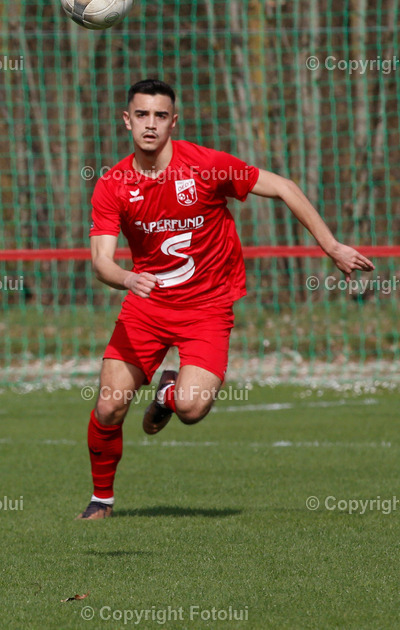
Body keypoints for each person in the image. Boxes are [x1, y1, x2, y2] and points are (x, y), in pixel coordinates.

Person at [77, 78, 373, 520]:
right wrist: (127, 278)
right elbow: (101, 262)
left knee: (192, 408)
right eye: (142, 114)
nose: (150, 124)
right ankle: (101, 500)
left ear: (174, 122)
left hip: (207, 309)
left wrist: (331, 246)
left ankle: (168, 394)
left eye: (160, 115)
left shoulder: (206, 166)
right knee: (108, 404)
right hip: (146, 308)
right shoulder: (113, 184)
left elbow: (284, 186)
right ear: (127, 120)